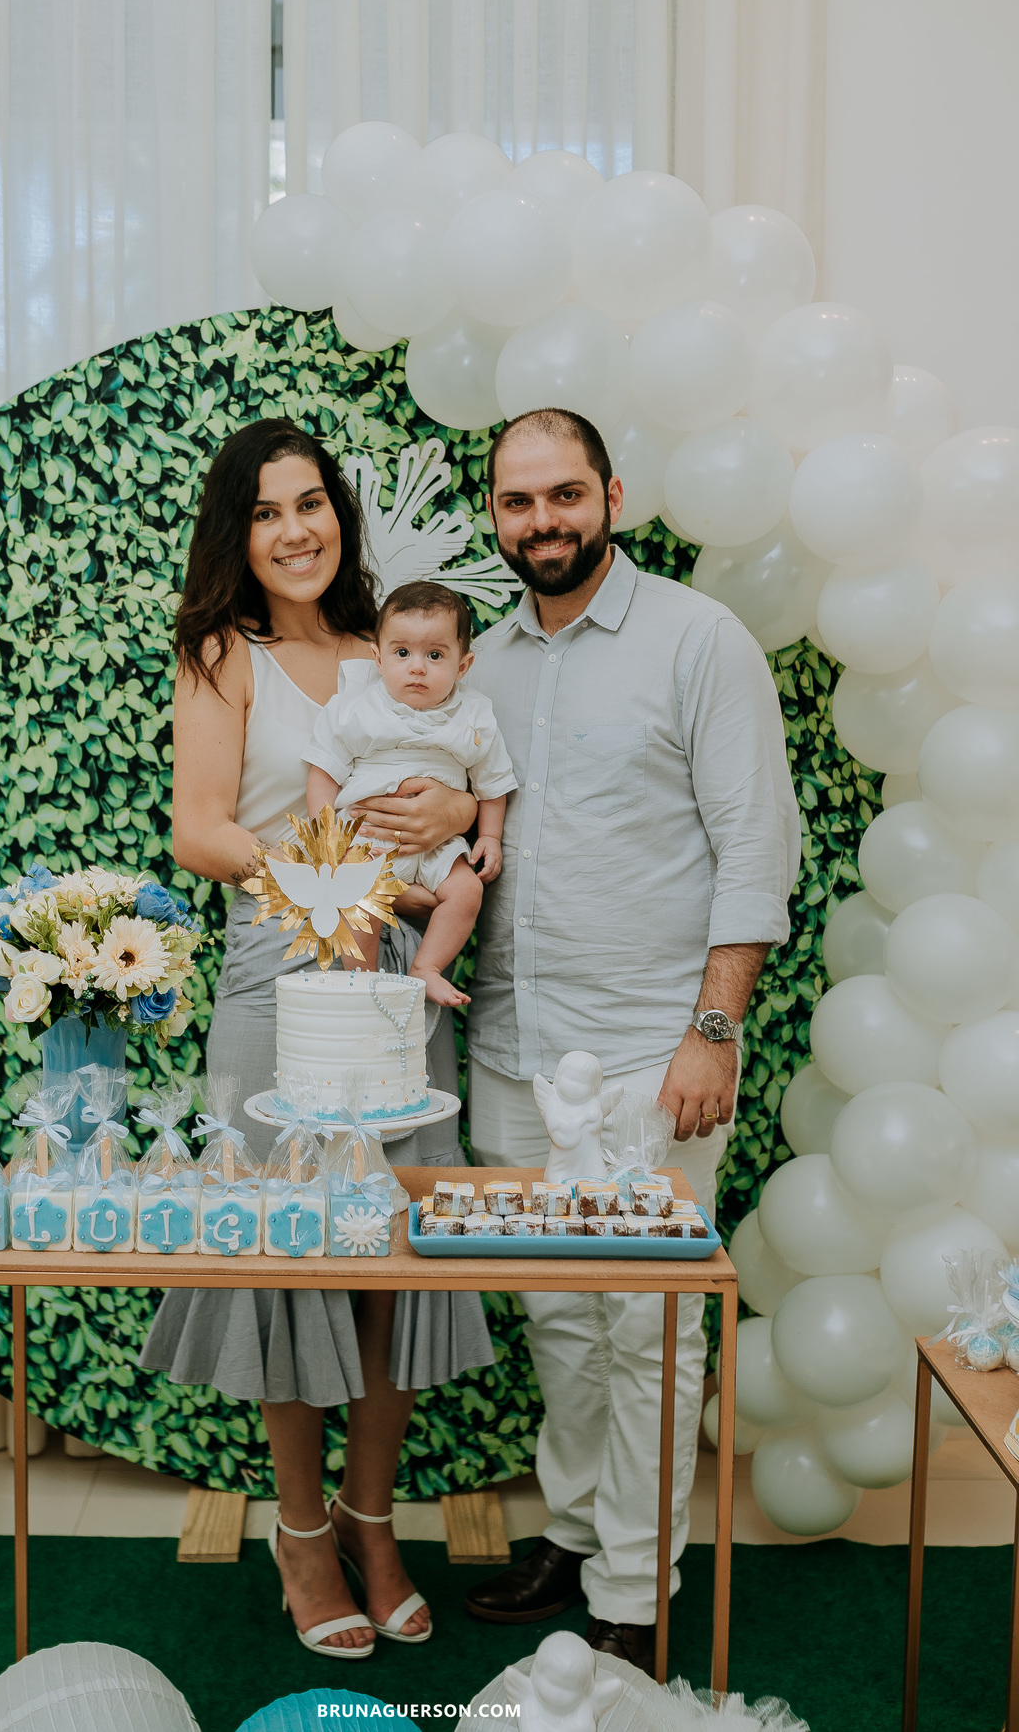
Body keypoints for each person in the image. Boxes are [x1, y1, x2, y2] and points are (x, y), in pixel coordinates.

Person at [139, 417, 495, 1659]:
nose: (296, 529)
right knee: (292, 1254)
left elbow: (468, 787)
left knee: (391, 1254)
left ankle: (374, 1517)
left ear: (340, 514)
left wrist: (459, 815)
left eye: (313, 503)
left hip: (404, 972)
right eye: (267, 510)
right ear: (238, 534)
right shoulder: (219, 653)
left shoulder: (384, 647)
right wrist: (323, 881)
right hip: (278, 969)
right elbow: (198, 829)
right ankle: (300, 1532)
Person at [462, 407, 801, 1673]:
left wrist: (713, 1031)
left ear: (611, 493)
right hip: (511, 1049)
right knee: (557, 1314)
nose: (541, 520)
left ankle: (637, 1588)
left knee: (648, 1327)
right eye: (517, 501)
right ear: (494, 514)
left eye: (563, 494)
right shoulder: (479, 660)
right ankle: (576, 1532)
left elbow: (755, 849)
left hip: (655, 1057)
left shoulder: (698, 640)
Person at [304, 579, 517, 1004]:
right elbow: (323, 772)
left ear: (463, 665)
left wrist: (490, 837)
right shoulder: (354, 709)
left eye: (435, 655)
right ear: (378, 658)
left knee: (467, 890)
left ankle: (427, 965)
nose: (417, 667)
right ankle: (361, 982)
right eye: (402, 653)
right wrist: (328, 839)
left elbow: (493, 782)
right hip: (367, 839)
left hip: (439, 845)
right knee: (354, 895)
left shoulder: (474, 715)